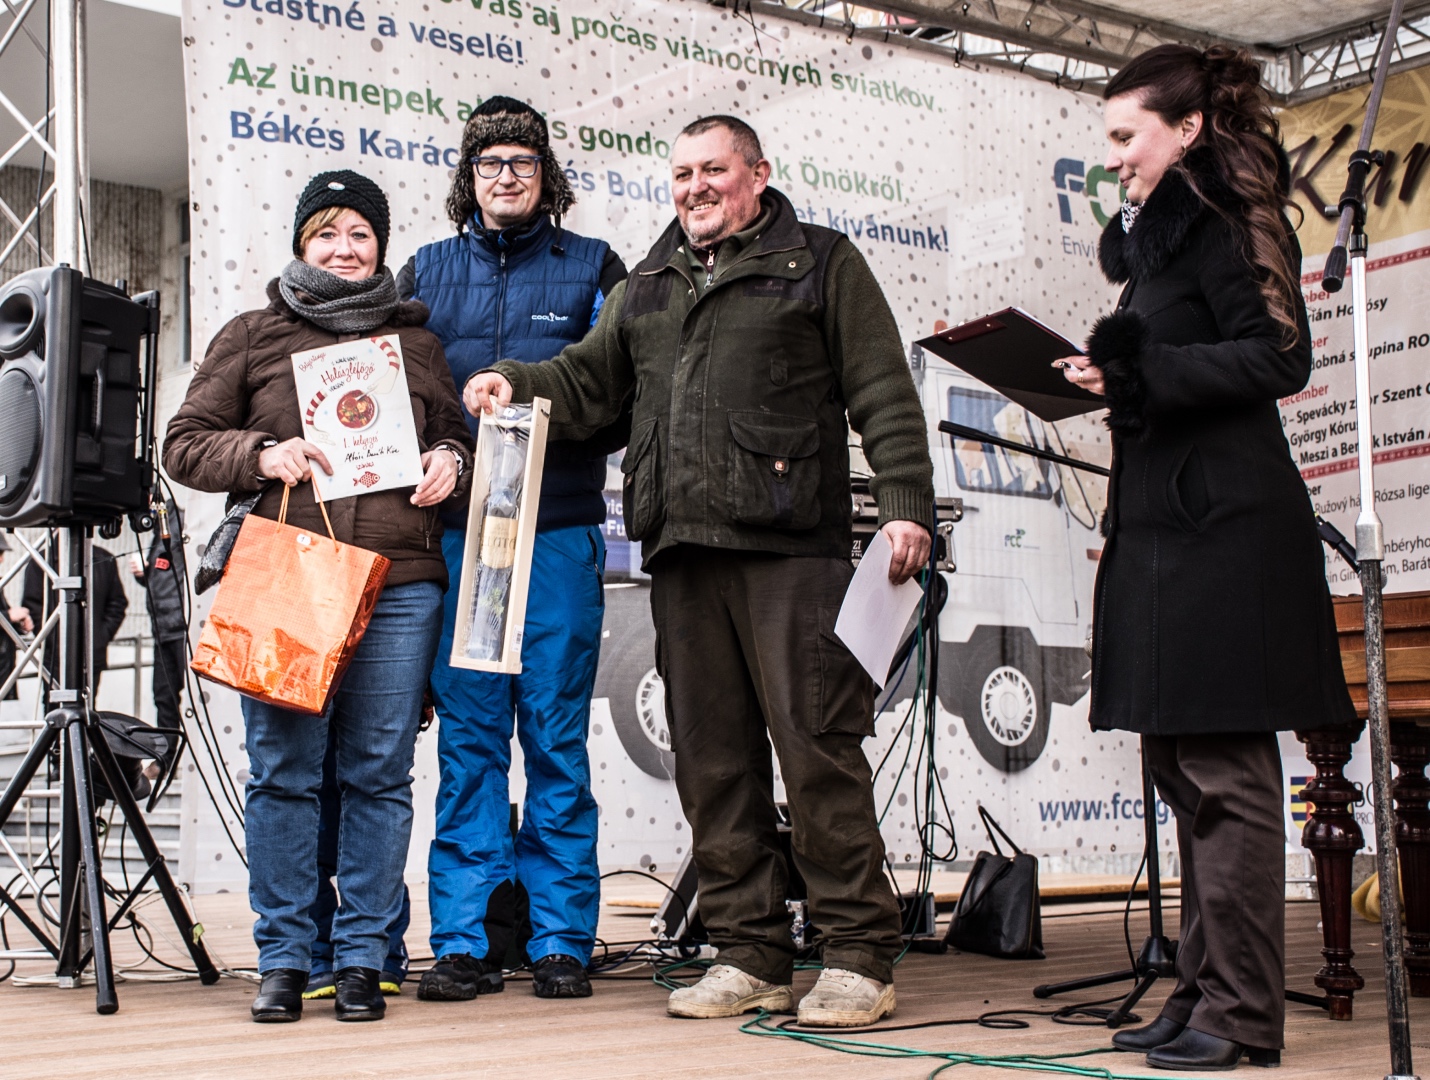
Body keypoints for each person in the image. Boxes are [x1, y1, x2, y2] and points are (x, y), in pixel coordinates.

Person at [466, 115, 935, 1028]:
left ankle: (858, 955)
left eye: (713, 169)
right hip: (681, 551)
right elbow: (589, 380)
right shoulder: (647, 283)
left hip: (790, 547)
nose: (694, 187)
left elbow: (882, 386)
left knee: (816, 750)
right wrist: (518, 382)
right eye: (681, 174)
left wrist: (907, 501)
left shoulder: (822, 262)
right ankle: (749, 952)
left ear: (758, 172)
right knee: (713, 763)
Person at [1056, 45, 1356, 1071]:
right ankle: (1200, 990)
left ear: (1185, 129)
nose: (1112, 158)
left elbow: (1278, 354)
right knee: (1181, 770)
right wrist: (1106, 378)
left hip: (1228, 531)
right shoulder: (1156, 246)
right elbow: (1170, 364)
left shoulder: (1231, 216)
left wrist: (1138, 369)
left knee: (1225, 773)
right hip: (1165, 531)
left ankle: (1241, 1012)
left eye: (1124, 136)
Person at [163, 169, 474, 1024]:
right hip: (290, 574)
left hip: (399, 583)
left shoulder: (417, 344)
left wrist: (450, 462)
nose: (344, 249)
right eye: (327, 233)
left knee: (379, 775)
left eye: (360, 234)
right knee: (285, 774)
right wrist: (262, 454)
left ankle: (364, 956)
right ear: (303, 243)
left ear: (381, 246)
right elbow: (183, 445)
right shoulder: (253, 333)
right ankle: (285, 957)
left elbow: (454, 435)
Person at [397, 95, 627, 1003]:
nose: (505, 175)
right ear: (469, 176)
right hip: (463, 543)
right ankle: (465, 939)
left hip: (560, 534)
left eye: (522, 161)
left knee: (557, 740)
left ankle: (561, 937)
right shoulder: (426, 271)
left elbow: (616, 393)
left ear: (545, 174)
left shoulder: (593, 267)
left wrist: (537, 407)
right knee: (470, 742)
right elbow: (405, 400)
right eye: (489, 161)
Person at [19, 541, 128, 692]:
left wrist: (100, 636)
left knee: (87, 702)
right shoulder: (42, 560)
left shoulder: (103, 559)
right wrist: (52, 640)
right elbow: (33, 606)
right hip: (56, 657)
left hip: (91, 654)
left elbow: (117, 603)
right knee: (55, 702)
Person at [128, 498, 188, 759]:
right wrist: (144, 574)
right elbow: (165, 576)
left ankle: (181, 758)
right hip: (162, 627)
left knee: (188, 697)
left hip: (183, 628)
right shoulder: (159, 529)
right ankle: (166, 757)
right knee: (163, 695)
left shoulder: (180, 522)